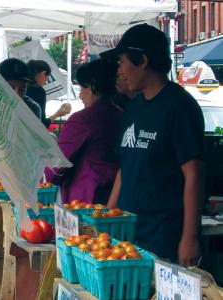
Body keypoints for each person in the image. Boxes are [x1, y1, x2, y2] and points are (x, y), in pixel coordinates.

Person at [101, 24, 204, 265]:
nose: (120, 70)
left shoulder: (180, 107)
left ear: (143, 60)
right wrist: (107, 216)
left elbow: (194, 173)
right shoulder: (133, 108)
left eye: (122, 61)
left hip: (163, 237)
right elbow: (124, 170)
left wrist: (189, 237)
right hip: (126, 236)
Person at [44, 59, 122, 204]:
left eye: (82, 88)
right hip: (116, 198)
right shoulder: (122, 115)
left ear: (93, 86)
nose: (80, 95)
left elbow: (58, 164)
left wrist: (44, 177)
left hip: (85, 198)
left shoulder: (82, 120)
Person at [26, 59, 71, 128]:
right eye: (47, 77)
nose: (46, 81)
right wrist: (58, 113)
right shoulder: (39, 91)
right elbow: (42, 124)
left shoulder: (21, 87)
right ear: (42, 74)